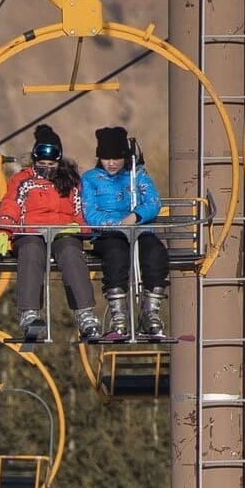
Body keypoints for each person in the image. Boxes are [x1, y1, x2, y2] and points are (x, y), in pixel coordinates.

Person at [0, 124, 98, 343]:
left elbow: (81, 210)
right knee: (31, 251)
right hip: (31, 232)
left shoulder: (70, 181)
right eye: (42, 164)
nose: (46, 168)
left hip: (62, 232)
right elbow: (11, 204)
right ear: (34, 160)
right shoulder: (23, 180)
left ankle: (85, 313)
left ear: (59, 162)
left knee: (71, 252)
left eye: (51, 164)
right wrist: (3, 230)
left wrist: (81, 228)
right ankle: (29, 313)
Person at [81, 125, 169, 340]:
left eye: (116, 158)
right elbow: (90, 212)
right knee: (115, 256)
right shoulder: (90, 179)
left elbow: (153, 202)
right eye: (105, 158)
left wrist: (135, 217)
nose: (111, 163)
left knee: (155, 254)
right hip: (109, 234)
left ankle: (150, 312)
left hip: (138, 230)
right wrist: (116, 223)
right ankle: (118, 314)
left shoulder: (137, 176)